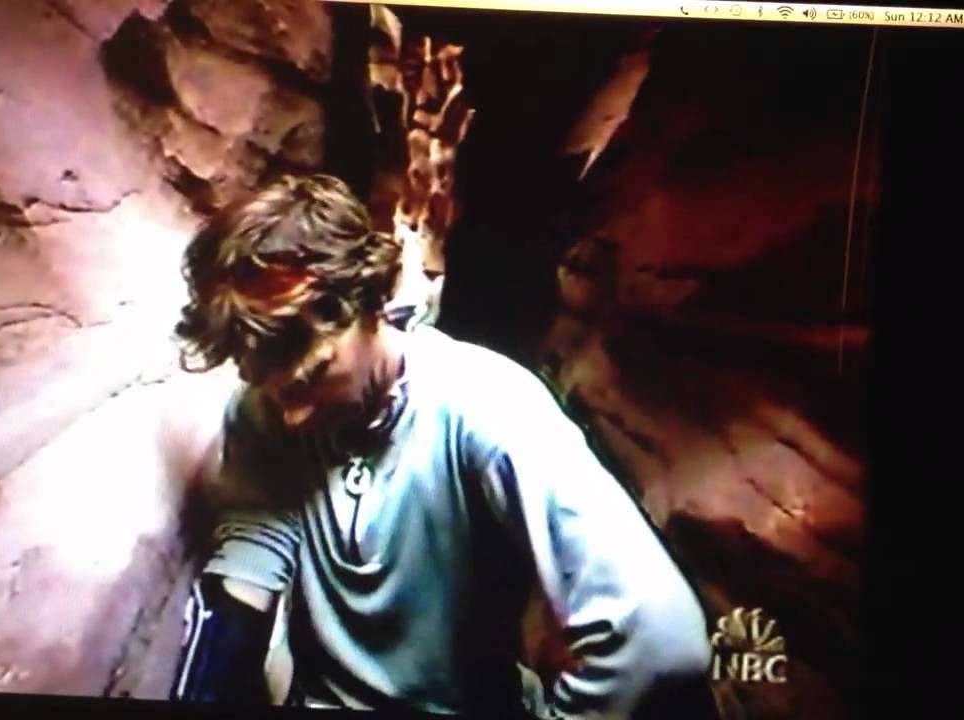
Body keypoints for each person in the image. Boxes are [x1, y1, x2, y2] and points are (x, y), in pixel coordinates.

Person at [169, 174, 712, 718]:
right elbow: (249, 566)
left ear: (369, 304)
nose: (292, 415)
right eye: (272, 390)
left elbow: (657, 637)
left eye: (313, 377)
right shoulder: (261, 412)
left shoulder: (486, 406)